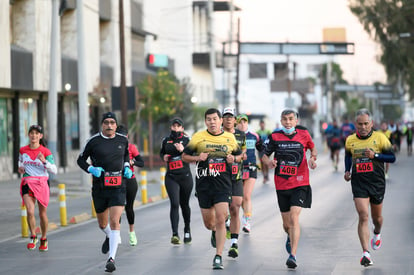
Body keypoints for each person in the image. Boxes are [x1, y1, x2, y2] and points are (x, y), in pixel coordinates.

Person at [182, 108, 241, 270]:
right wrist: (196, 158)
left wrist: (233, 158)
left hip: (223, 184)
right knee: (210, 223)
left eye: (215, 119)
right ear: (205, 121)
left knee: (222, 217)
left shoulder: (229, 138)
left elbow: (240, 155)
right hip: (204, 185)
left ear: (220, 120)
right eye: (209, 119)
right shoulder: (198, 137)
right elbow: (184, 156)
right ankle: (213, 230)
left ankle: (218, 255)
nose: (212, 122)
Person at [77, 112, 133, 273]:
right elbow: (80, 160)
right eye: (106, 122)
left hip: (118, 186)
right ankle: (109, 235)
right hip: (100, 187)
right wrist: (91, 169)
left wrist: (127, 166)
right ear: (102, 125)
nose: (109, 125)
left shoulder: (123, 140)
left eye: (112, 122)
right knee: (102, 223)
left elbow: (126, 156)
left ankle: (111, 258)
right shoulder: (93, 141)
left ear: (116, 125)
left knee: (115, 220)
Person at [262, 109, 317, 269]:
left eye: (290, 119)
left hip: (300, 183)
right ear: (281, 120)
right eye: (284, 119)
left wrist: (312, 159)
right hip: (282, 184)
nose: (287, 122)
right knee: (287, 225)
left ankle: (292, 255)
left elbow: (313, 149)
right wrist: (269, 163)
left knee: (294, 217)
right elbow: (264, 154)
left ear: (296, 120)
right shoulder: (274, 136)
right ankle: (289, 234)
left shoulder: (304, 134)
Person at [344, 108, 396, 267]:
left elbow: (392, 158)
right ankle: (365, 252)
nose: (363, 127)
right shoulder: (350, 140)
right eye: (360, 124)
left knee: (377, 219)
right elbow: (348, 156)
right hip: (359, 183)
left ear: (371, 123)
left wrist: (376, 156)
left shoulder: (380, 138)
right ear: (355, 124)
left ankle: (377, 232)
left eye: (366, 123)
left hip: (377, 183)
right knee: (363, 215)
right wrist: (347, 170)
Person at [18, 125, 57, 252]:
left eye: (36, 133)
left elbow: (54, 170)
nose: (34, 135)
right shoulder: (23, 150)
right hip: (27, 182)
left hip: (41, 184)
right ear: (28, 135)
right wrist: (20, 168)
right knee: (30, 211)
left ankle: (44, 238)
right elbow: (21, 163)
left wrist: (44, 161)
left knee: (42, 213)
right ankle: (33, 235)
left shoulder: (46, 152)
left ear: (40, 136)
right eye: (31, 133)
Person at [160, 117, 194, 245]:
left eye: (178, 126)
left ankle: (187, 229)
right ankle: (175, 234)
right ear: (171, 128)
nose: (175, 128)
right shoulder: (166, 140)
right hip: (171, 177)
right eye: (173, 126)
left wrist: (182, 150)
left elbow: (193, 156)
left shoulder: (187, 140)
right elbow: (161, 153)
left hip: (185, 177)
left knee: (184, 204)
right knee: (174, 203)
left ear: (182, 128)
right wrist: (163, 156)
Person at [221, 107, 246, 258]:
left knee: (235, 207)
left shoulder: (241, 135)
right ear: (222, 119)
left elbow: (243, 154)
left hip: (236, 175)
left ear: (235, 120)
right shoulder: (217, 134)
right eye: (226, 116)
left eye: (231, 117)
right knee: (223, 211)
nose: (229, 119)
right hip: (221, 177)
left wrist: (235, 159)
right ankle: (220, 227)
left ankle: (234, 244)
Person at [116, 125, 144, 246]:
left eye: (124, 136)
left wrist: (132, 162)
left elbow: (141, 162)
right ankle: (116, 234)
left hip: (130, 180)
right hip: (117, 181)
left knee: (129, 207)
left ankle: (132, 232)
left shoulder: (131, 147)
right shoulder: (113, 148)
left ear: (127, 136)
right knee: (117, 207)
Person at [237, 114, 261, 234]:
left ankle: (247, 221)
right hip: (238, 169)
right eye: (240, 122)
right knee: (239, 198)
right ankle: (245, 214)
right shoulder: (232, 137)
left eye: (244, 122)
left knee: (246, 196)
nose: (243, 124)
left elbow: (263, 149)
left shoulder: (254, 136)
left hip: (251, 168)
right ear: (236, 124)